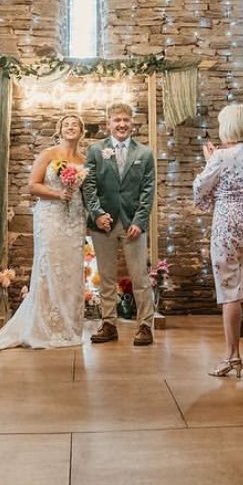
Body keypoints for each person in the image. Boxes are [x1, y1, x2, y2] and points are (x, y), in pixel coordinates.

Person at [0, 114, 87, 351]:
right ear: (59, 129)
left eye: (75, 125)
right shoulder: (49, 154)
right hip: (51, 217)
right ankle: (45, 327)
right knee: (50, 269)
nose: (70, 127)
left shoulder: (82, 159)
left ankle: (69, 327)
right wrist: (58, 194)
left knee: (71, 271)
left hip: (75, 219)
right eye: (66, 124)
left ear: (81, 131)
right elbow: (32, 185)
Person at [193, 104, 243, 377]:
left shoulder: (221, 156)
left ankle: (231, 356)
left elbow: (201, 188)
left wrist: (210, 161)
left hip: (228, 225)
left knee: (229, 289)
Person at [82, 102, 155, 347]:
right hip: (104, 223)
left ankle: (145, 325)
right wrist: (97, 213)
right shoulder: (95, 150)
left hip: (132, 223)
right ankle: (109, 323)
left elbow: (147, 190)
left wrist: (140, 220)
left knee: (140, 277)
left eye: (126, 120)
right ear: (108, 124)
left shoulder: (144, 153)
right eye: (117, 120)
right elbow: (89, 186)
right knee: (106, 277)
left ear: (132, 123)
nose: (122, 124)